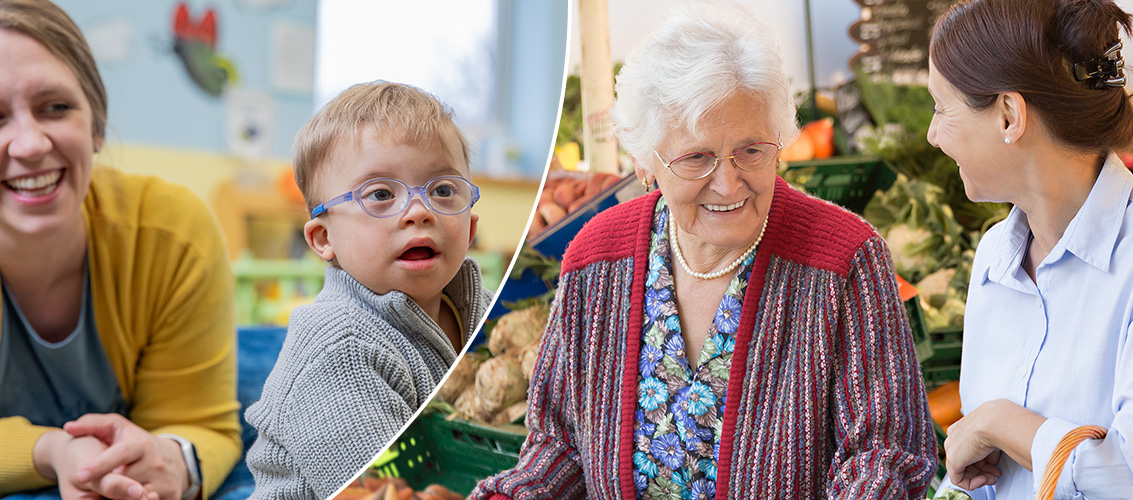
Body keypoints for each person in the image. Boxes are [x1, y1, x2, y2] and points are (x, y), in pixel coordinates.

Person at [471, 2, 937, 499]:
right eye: (697, 157)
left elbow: (885, 453)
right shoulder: (597, 259)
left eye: (752, 150)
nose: (729, 181)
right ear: (646, 160)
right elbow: (561, 443)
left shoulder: (843, 261)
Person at [0, 1, 242, 499]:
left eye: (55, 106)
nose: (28, 144)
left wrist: (171, 461)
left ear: (97, 127)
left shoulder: (173, 231)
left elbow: (202, 425)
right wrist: (52, 451)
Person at [926, 0, 1133, 497]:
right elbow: (988, 479)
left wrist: (998, 423)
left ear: (1008, 115)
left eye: (941, 107)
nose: (933, 135)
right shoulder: (994, 257)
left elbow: (1131, 474)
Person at [244, 82, 492, 500]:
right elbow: (381, 491)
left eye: (443, 190)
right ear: (324, 238)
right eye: (380, 194)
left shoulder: (479, 308)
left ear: (470, 224)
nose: (419, 211)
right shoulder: (336, 348)